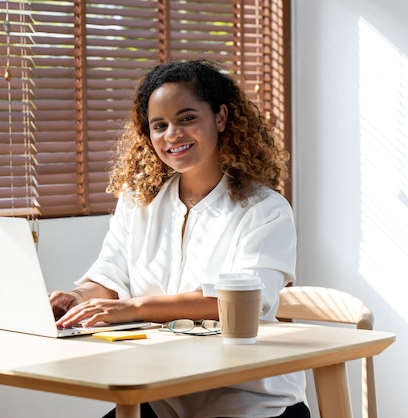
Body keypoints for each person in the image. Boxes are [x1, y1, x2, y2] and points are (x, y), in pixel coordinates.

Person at [48, 60, 309, 418]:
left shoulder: (265, 208)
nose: (172, 134)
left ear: (220, 117)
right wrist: (76, 299)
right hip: (161, 397)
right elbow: (111, 276)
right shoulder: (139, 199)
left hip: (247, 401)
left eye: (186, 118)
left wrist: (135, 308)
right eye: (160, 125)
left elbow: (249, 299)